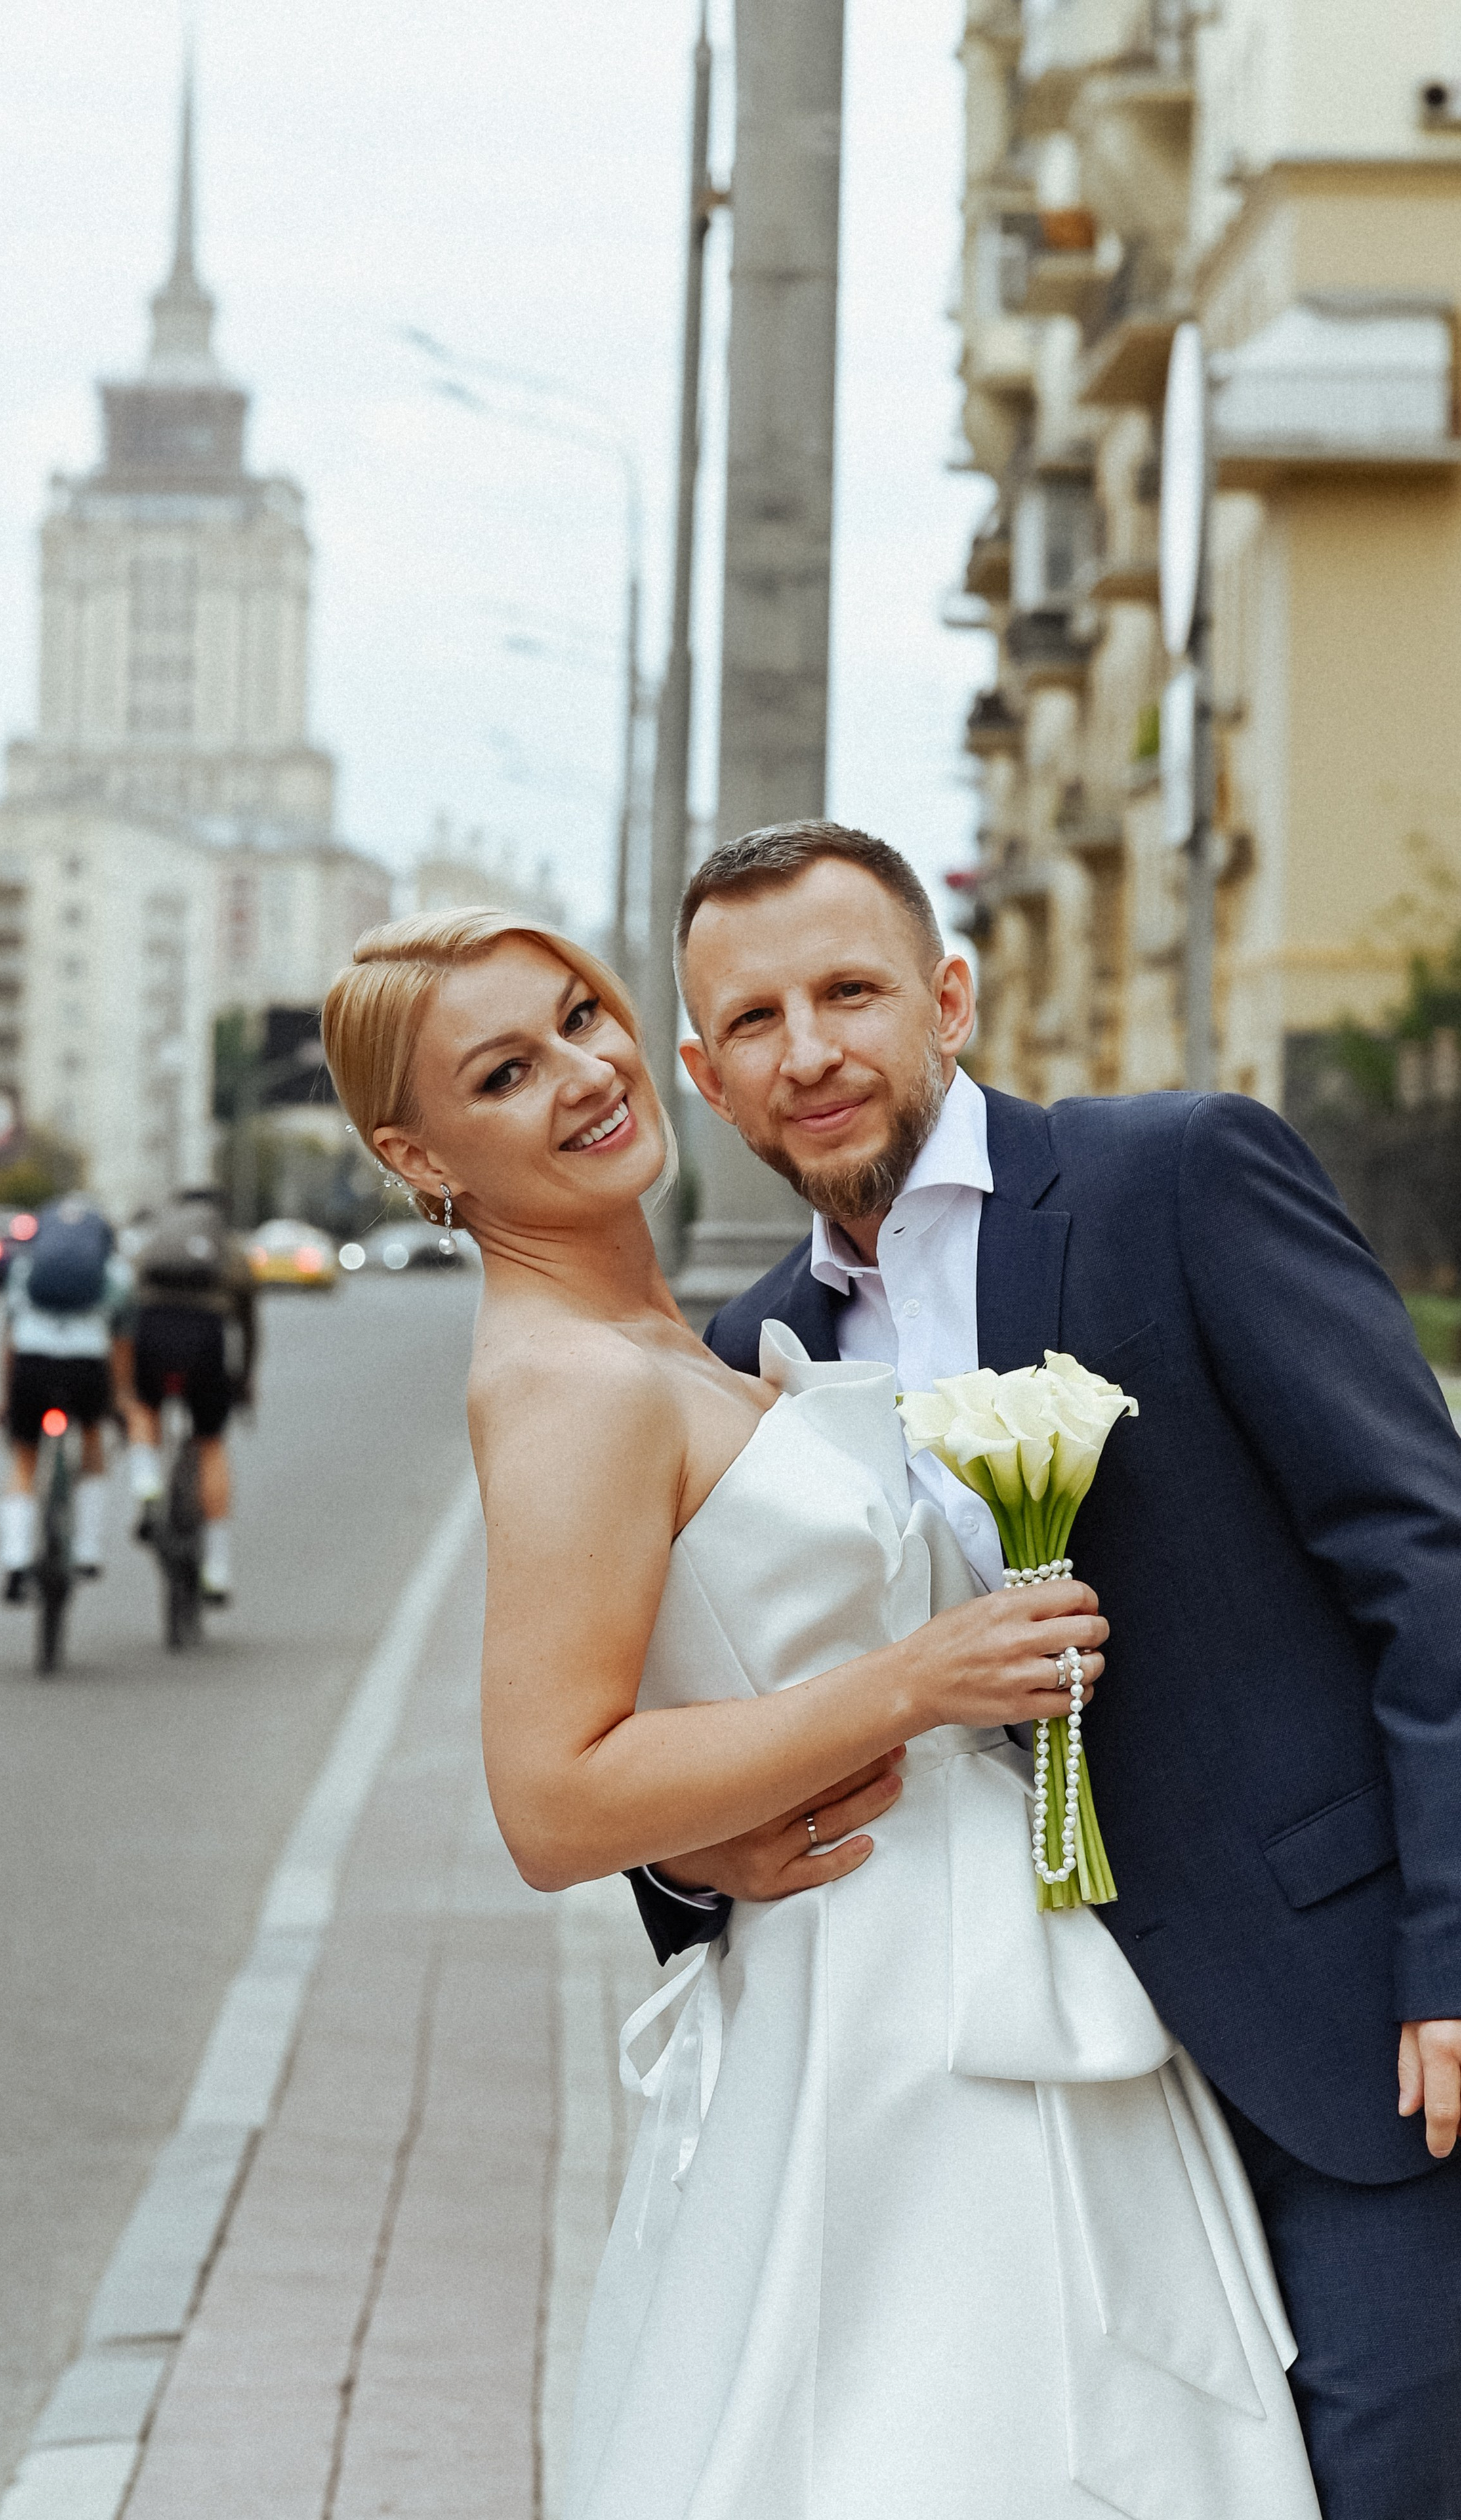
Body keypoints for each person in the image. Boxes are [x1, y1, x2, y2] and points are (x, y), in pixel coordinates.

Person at [322, 906, 1322, 2520]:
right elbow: (549, 1796)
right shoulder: (567, 1382)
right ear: (415, 1151)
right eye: (505, 1071)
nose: (584, 1072)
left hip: (962, 1961)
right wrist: (918, 1678)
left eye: (580, 1014)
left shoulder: (677, 1343)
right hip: (880, 2016)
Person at [623, 819, 1461, 2520]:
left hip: (1320, 2016)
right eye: (760, 1024)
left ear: (949, 998)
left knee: (1387, 2474)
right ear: (710, 1079)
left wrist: (1451, 1948)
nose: (815, 1052)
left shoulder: (1178, 1176)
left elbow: (1424, 1557)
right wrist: (687, 1863)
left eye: (850, 991)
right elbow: (724, 1713)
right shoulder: (742, 1358)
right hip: (997, 2096)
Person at [123, 1185, 258, 1606]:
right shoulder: (228, 1247)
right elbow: (248, 1323)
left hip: (154, 1329)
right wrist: (243, 1381)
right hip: (205, 1338)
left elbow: (129, 1297)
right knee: (210, 1442)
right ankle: (216, 1570)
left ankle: (146, 1482)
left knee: (144, 1406)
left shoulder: (157, 1243)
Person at [0, 1192, 133, 1597]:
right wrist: (120, 1398)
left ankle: (16, 1559)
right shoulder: (115, 1273)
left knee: (24, 1457)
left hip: (32, 1364)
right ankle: (87, 1551)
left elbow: (8, 1340)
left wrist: (5, 1399)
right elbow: (122, 1343)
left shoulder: (26, 1268)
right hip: (87, 1367)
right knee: (92, 1442)